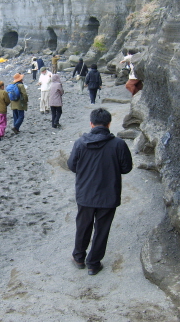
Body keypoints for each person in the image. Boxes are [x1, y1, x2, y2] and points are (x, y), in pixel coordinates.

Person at [67, 108, 132, 275]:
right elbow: (126, 168)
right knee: (102, 229)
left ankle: (79, 257)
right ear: (109, 124)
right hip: (109, 194)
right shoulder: (118, 144)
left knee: (83, 226)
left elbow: (72, 166)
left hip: (85, 193)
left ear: (91, 124)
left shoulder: (80, 143)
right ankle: (93, 264)